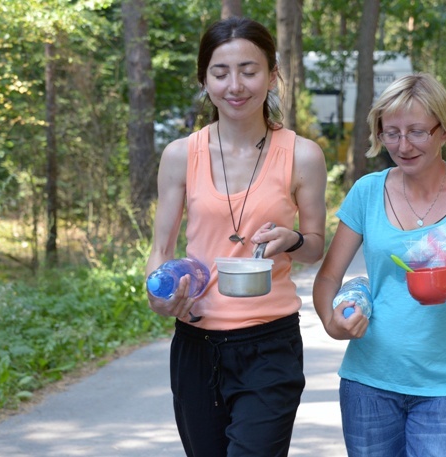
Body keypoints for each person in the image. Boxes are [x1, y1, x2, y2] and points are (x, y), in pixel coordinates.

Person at [145, 17, 327, 457]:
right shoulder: (179, 156)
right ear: (204, 79)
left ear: (272, 75)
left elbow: (316, 246)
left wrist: (294, 239)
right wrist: (157, 296)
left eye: (249, 70)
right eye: (220, 72)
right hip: (195, 343)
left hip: (270, 346)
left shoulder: (302, 155)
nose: (236, 85)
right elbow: (160, 250)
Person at [312, 73, 446, 457]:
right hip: (367, 383)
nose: (403, 146)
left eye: (417, 132)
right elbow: (328, 277)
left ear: (444, 131)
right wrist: (331, 323)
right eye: (392, 133)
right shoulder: (367, 192)